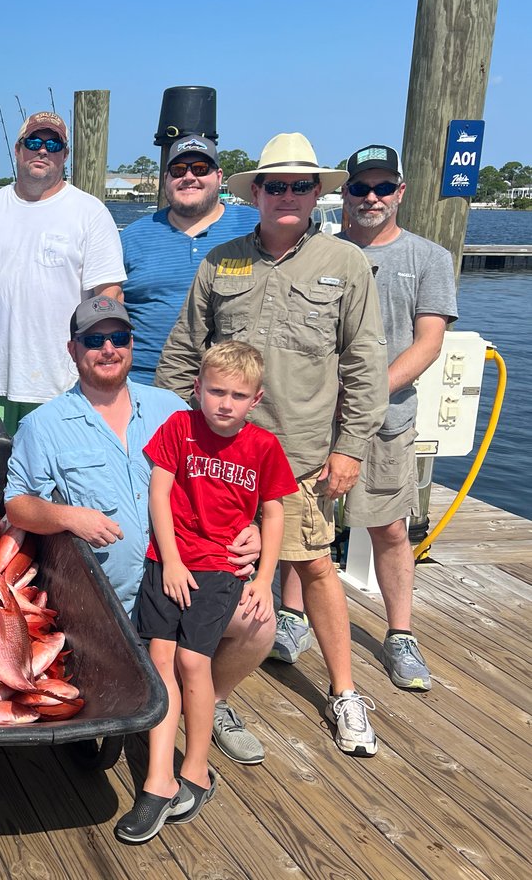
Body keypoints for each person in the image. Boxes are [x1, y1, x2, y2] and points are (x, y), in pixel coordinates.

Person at [156, 132, 388, 756]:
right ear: (256, 192)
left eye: (301, 185)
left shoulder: (344, 265)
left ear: (319, 194)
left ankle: (344, 693)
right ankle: (217, 696)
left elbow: (365, 362)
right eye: (276, 185)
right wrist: (165, 441)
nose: (288, 195)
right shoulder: (220, 261)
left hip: (302, 459)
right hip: (214, 461)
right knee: (217, 577)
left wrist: (350, 448)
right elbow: (184, 354)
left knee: (314, 567)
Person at [4, 296, 276, 765]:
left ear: (132, 345)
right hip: (106, 606)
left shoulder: (172, 408)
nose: (108, 348)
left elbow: (231, 474)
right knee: (96, 749)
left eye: (119, 338)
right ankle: (131, 704)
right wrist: (71, 517)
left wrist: (251, 526)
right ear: (73, 350)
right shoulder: (42, 424)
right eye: (94, 339)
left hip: (188, 581)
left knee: (259, 625)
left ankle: (210, 703)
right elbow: (17, 505)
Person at [276, 144, 454, 691]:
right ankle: (291, 617)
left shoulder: (429, 258)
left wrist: (364, 393)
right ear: (343, 194)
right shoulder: (314, 250)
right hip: (311, 421)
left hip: (386, 421)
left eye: (382, 188)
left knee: (389, 526)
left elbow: (428, 342)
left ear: (400, 192)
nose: (371, 197)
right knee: (297, 527)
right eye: (360, 187)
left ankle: (400, 633)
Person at [117, 342, 295, 844]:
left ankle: (196, 769)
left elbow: (275, 512)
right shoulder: (179, 428)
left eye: (238, 395)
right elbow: (160, 488)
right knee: (161, 660)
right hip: (168, 563)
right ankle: (158, 778)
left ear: (255, 399)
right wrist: (169, 559)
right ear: (196, 388)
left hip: (220, 568)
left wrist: (263, 578)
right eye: (215, 391)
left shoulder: (262, 447)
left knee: (195, 664)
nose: (224, 403)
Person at [0, 111, 125, 433]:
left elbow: (109, 296)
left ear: (65, 155)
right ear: (17, 149)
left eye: (54, 144)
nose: (43, 150)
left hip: (62, 386)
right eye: (34, 141)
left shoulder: (90, 212)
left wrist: (99, 367)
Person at [121, 135, 259, 382]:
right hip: (145, 382)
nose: (188, 177)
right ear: (166, 179)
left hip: (232, 386)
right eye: (177, 170)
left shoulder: (255, 225)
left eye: (200, 169)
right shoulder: (132, 236)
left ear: (219, 177)